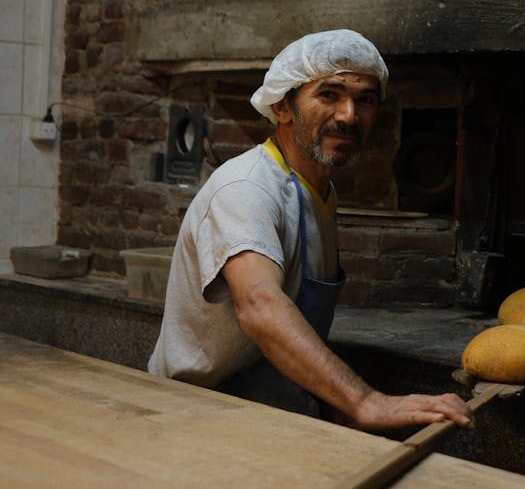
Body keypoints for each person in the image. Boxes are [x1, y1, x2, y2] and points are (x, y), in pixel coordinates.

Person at [148, 29, 474, 432]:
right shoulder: (247, 189)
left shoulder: (319, 192)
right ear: (284, 106)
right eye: (329, 95)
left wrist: (330, 397)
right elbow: (260, 306)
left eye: (365, 99)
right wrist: (366, 401)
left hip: (267, 408)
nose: (349, 116)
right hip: (194, 413)